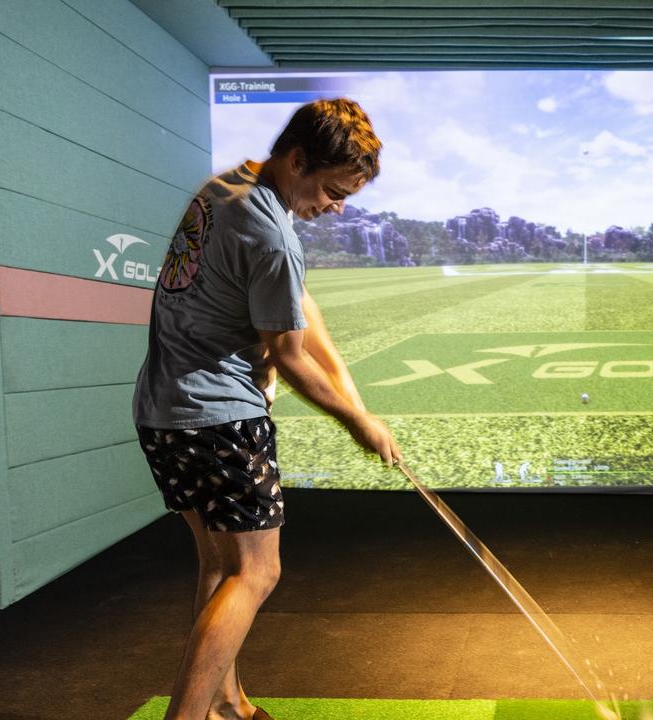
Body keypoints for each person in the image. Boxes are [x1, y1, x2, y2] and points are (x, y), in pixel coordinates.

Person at [132, 98, 401, 720]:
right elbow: (292, 356)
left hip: (162, 413)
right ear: (298, 159)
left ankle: (227, 703)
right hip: (220, 420)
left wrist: (355, 395)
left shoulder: (225, 189)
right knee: (257, 573)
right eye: (332, 190)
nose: (335, 207)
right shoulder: (273, 234)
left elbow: (306, 310)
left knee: (220, 564)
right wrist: (358, 422)